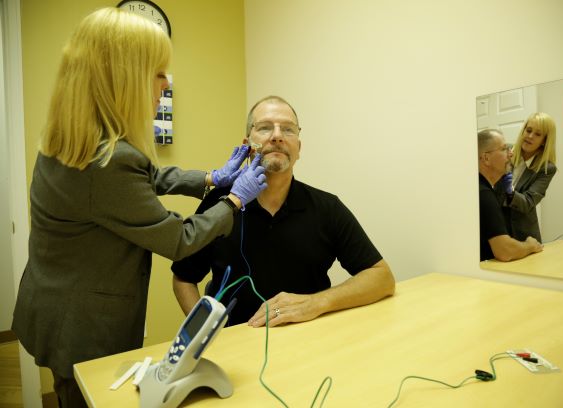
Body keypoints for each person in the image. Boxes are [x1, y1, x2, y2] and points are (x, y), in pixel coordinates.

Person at [11, 8, 266, 407]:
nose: (166, 83)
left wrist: (212, 178)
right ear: (122, 80)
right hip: (81, 323)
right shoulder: (108, 162)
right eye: (158, 72)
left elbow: (147, 179)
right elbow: (180, 240)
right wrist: (235, 200)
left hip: (51, 302)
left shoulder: (76, 140)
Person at [172, 95, 395, 328]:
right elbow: (183, 278)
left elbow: (382, 278)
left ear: (298, 147)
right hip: (234, 342)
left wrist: (317, 302)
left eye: (288, 130)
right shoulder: (220, 203)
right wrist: (204, 332)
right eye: (265, 127)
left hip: (309, 341)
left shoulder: (327, 208)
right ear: (247, 145)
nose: (277, 136)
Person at [478, 129, 543, 261]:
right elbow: (505, 251)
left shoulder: (478, 188)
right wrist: (530, 246)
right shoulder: (484, 195)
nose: (510, 154)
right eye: (504, 149)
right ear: (486, 158)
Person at [495, 112, 557, 242]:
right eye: (528, 130)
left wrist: (509, 190)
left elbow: (528, 202)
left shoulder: (546, 169)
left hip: (523, 235)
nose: (530, 136)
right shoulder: (505, 152)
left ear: (544, 141)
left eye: (538, 134)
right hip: (496, 230)